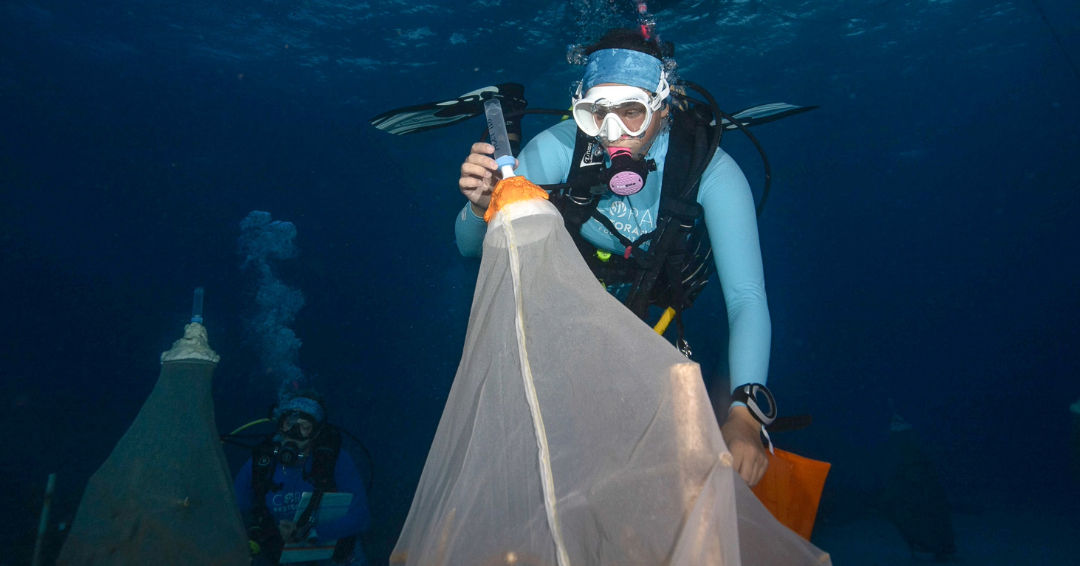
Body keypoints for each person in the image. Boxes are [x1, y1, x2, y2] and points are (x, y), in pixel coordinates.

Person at [455, 28, 773, 486]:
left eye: (632, 113)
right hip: (584, 293)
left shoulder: (713, 170)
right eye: (595, 114)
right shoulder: (559, 148)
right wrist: (480, 206)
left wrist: (745, 413)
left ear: (663, 107)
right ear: (578, 109)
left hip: (663, 290)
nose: (612, 134)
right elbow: (468, 248)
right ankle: (508, 121)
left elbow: (746, 297)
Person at [234, 392, 371, 565]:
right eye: (289, 424)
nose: (294, 433)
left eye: (304, 427)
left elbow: (361, 517)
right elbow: (233, 511)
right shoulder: (260, 465)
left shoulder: (336, 460)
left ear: (316, 433)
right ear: (280, 425)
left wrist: (312, 533)